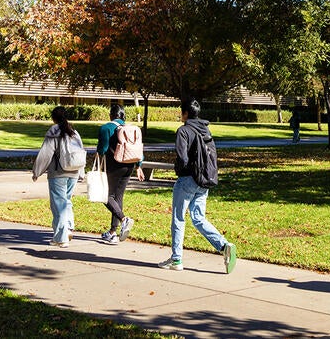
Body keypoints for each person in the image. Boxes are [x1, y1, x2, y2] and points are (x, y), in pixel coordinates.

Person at [158, 99, 237, 274]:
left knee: (179, 218)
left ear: (186, 113)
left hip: (187, 180)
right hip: (204, 180)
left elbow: (182, 158)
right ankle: (224, 246)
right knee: (198, 218)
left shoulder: (183, 131)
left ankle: (176, 259)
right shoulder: (205, 129)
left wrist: (180, 170)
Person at [32, 106, 86, 248]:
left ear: (53, 117)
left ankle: (61, 238)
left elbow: (46, 153)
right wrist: (81, 172)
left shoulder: (54, 131)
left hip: (58, 173)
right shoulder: (74, 131)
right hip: (73, 171)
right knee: (66, 201)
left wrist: (37, 171)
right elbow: (80, 152)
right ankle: (68, 227)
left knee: (58, 205)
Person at [95, 104, 143, 245]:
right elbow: (139, 148)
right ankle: (112, 233)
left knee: (106, 196)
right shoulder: (132, 129)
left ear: (111, 114)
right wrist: (139, 166)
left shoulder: (106, 128)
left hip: (113, 166)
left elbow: (102, 149)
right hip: (129, 165)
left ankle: (124, 219)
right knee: (118, 197)